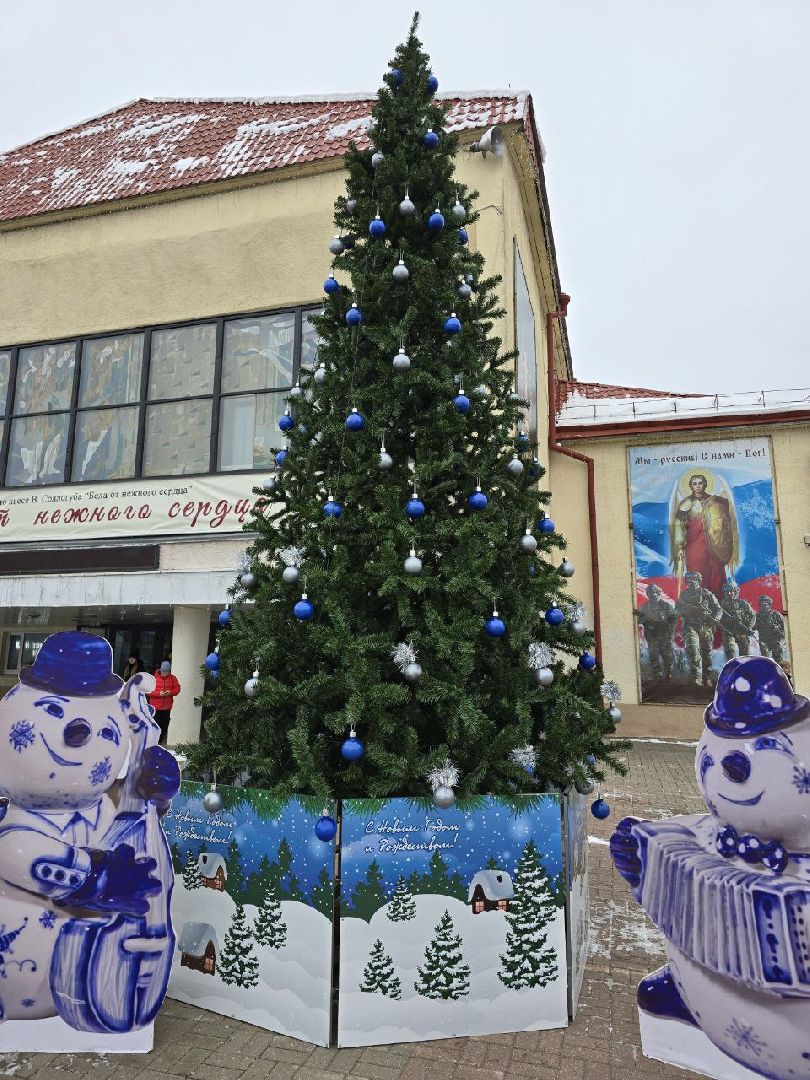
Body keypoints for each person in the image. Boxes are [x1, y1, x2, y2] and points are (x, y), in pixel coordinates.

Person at [670, 473, 738, 600]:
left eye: (700, 483)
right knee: (697, 571)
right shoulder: (687, 503)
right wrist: (679, 543)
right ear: (690, 486)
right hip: (694, 545)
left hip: (714, 546)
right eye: (694, 483)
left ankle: (719, 602)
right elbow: (678, 523)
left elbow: (724, 524)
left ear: (705, 484)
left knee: (715, 573)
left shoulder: (715, 502)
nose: (697, 486)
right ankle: (698, 604)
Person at [675, 571, 721, 687]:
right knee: (693, 649)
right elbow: (677, 611)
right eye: (688, 581)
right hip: (690, 626)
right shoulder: (683, 596)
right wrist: (687, 610)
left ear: (699, 581)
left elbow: (718, 609)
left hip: (706, 626)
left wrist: (714, 619)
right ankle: (696, 677)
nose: (691, 582)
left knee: (706, 653)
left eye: (693, 580)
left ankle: (707, 677)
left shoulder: (707, 594)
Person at [634, 584, 676, 681]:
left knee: (667, 656)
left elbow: (673, 620)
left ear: (658, 593)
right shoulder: (644, 607)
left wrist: (669, 630)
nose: (652, 595)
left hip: (664, 635)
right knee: (653, 655)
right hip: (651, 635)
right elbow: (640, 621)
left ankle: (668, 675)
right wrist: (639, 616)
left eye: (654, 592)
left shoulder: (666, 606)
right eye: (649, 593)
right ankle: (657, 676)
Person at [148, 660, 181, 745]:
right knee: (155, 726)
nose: (164, 674)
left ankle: (159, 742)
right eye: (163, 672)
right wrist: (159, 694)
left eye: (166, 672)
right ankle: (152, 743)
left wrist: (170, 692)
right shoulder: (153, 678)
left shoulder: (173, 678)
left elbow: (177, 690)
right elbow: (148, 691)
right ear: (160, 670)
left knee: (164, 726)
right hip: (155, 707)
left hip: (167, 707)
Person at [719, 582, 755, 659]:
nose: (729, 593)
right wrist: (726, 621)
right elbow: (717, 618)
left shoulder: (743, 603)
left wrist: (749, 627)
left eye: (731, 591)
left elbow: (753, 615)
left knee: (744, 653)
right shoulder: (721, 605)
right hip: (728, 631)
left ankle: (744, 669)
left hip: (742, 630)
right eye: (727, 592)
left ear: (735, 591)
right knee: (729, 651)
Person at [755, 595, 787, 662]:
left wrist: (778, 627)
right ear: (760, 604)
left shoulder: (776, 614)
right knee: (765, 659)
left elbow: (785, 625)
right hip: (764, 640)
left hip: (775, 640)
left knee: (778, 658)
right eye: (762, 602)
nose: (764, 603)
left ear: (769, 603)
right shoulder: (757, 616)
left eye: (766, 602)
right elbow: (753, 627)